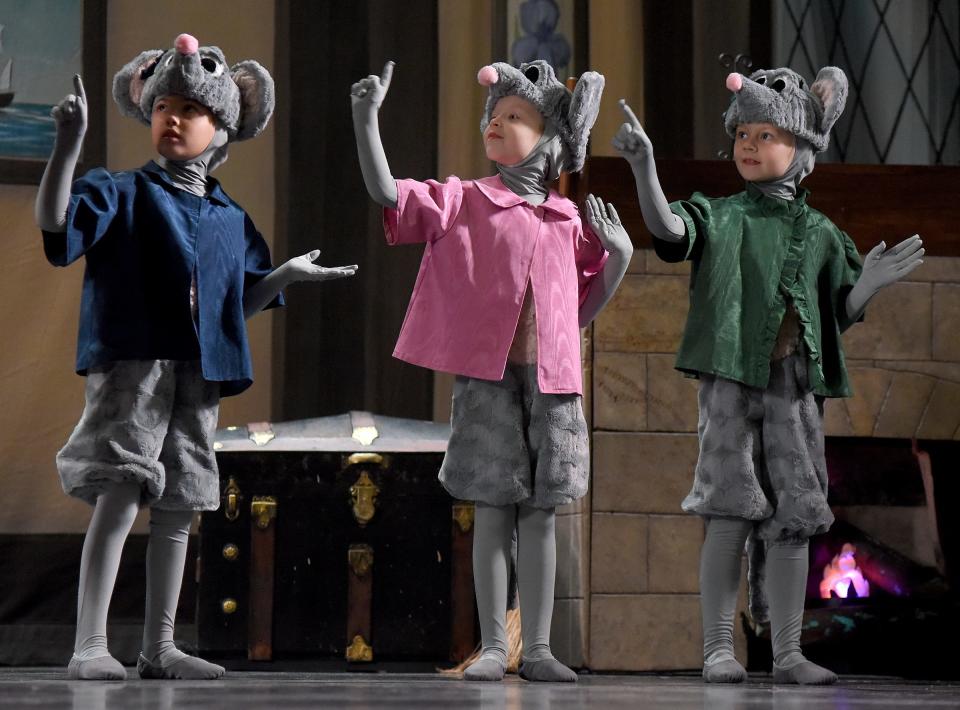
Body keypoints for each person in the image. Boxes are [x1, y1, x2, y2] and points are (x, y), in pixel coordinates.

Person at [35, 33, 356, 681]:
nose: (173, 118)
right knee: (124, 488)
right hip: (134, 365)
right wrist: (67, 147)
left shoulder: (227, 217)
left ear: (222, 128)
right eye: (163, 107)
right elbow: (57, 228)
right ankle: (90, 644)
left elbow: (232, 307)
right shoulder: (119, 192)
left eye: (191, 108)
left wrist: (284, 277)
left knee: (180, 501)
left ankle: (159, 645)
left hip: (199, 375)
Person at [615, 66, 923, 685]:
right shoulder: (721, 214)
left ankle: (786, 653)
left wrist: (866, 284)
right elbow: (671, 232)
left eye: (766, 134)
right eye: (742, 134)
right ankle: (718, 650)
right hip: (730, 383)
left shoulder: (822, 234)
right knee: (727, 511)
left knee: (796, 516)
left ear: (804, 150)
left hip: (795, 390)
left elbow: (836, 314)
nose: (749, 145)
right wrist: (645, 169)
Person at [351, 59, 632, 682]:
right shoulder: (466, 200)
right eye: (493, 116)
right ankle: (490, 647)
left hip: (554, 386)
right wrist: (367, 121)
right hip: (489, 382)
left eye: (514, 117)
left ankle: (536, 648)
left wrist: (620, 260)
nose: (495, 125)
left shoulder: (567, 219)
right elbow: (391, 194)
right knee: (494, 511)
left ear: (554, 141)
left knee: (542, 513)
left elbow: (581, 309)